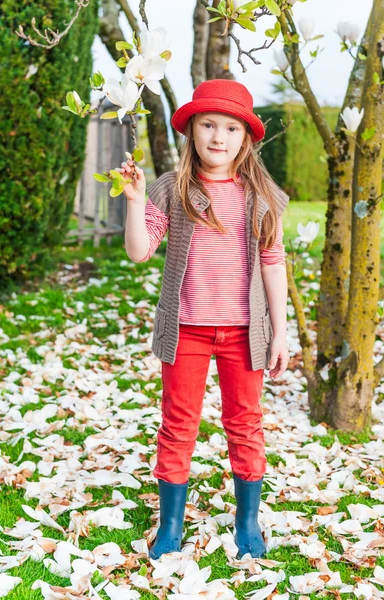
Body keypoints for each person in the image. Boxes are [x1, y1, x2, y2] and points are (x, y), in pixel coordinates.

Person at [119, 79, 290, 561]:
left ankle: (247, 520)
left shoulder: (262, 196)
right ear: (191, 131)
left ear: (246, 137)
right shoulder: (171, 190)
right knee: (177, 424)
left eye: (230, 128)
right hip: (187, 332)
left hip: (244, 333)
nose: (218, 136)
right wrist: (134, 203)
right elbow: (139, 251)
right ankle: (171, 524)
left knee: (245, 422)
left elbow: (273, 261)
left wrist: (280, 331)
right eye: (208, 125)